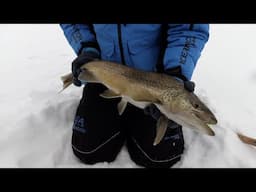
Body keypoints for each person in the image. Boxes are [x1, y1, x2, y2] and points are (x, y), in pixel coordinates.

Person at [60, 24, 209, 168]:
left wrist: (176, 72)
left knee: (160, 158)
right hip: (106, 76)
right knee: (88, 151)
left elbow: (189, 30)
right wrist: (86, 47)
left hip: (156, 79)